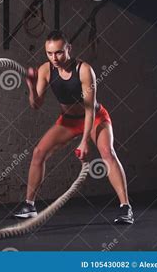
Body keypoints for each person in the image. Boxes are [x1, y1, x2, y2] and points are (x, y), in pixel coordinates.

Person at [13, 30, 134, 224]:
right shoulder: (45, 70)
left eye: (59, 52)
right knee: (38, 152)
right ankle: (29, 205)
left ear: (68, 49)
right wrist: (30, 85)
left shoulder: (84, 70)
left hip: (94, 118)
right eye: (50, 53)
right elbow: (36, 105)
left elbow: (89, 110)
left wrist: (85, 141)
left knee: (107, 152)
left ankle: (125, 207)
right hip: (68, 120)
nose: (54, 58)